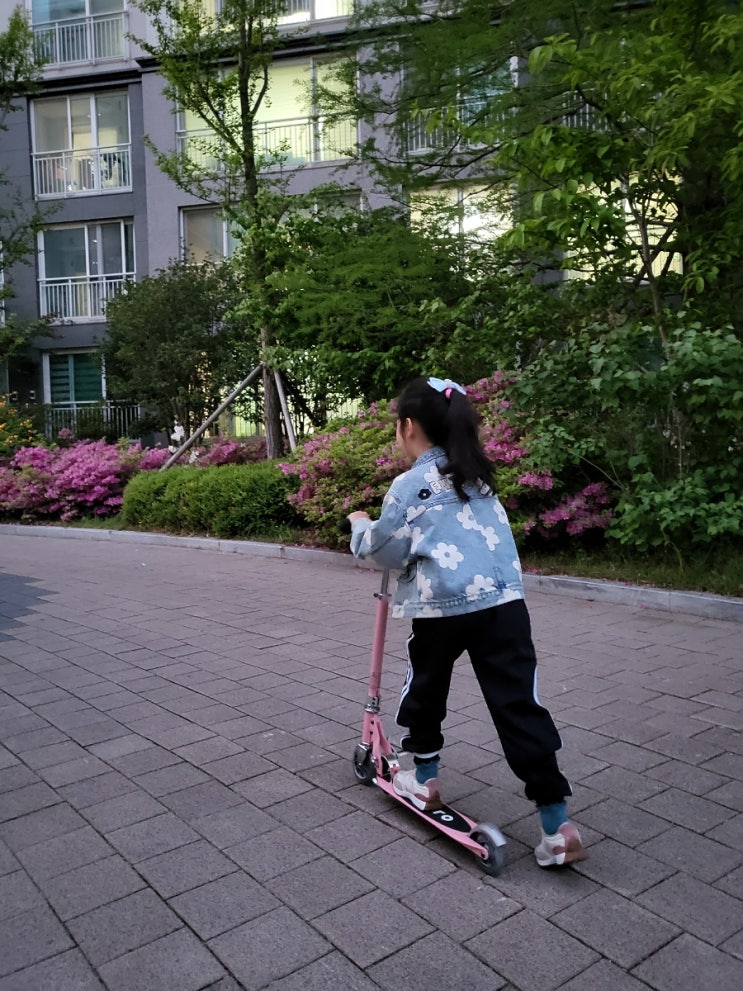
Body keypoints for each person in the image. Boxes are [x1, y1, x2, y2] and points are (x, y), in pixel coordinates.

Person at [346, 375, 587, 868]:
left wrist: (358, 526)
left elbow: (383, 550)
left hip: (443, 606)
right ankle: (556, 823)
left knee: (426, 686)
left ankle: (424, 778)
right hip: (504, 605)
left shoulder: (411, 485)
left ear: (408, 427)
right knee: (519, 703)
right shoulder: (479, 479)